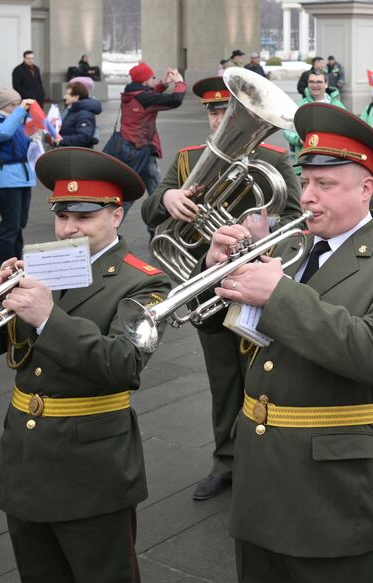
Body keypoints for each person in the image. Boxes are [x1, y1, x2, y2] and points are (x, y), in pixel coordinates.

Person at [202, 104, 373, 581]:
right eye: (305, 182)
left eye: (325, 185)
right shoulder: (288, 249)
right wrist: (213, 279)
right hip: (261, 475)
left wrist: (279, 296)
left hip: (333, 488)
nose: (308, 197)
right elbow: (230, 335)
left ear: (367, 188)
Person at [0, 148, 170, 582]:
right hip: (24, 457)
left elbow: (124, 364)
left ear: (116, 214)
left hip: (92, 467)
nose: (68, 228)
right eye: (61, 216)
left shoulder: (145, 280)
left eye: (84, 217)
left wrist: (47, 318)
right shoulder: (44, 267)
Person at [140, 76, 301, 503]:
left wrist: (259, 231)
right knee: (222, 377)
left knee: (263, 374)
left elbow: (297, 218)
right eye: (214, 111)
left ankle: (264, 460)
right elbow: (149, 209)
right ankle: (225, 461)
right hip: (201, 280)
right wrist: (170, 197)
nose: (218, 118)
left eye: (222, 110)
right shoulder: (187, 158)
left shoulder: (272, 156)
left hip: (255, 280)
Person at [116, 61, 187, 200]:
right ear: (144, 80)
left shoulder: (131, 93)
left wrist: (164, 84)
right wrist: (180, 83)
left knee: (152, 189)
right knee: (136, 195)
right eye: (152, 77)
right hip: (141, 150)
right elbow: (175, 100)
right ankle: (115, 218)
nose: (154, 79)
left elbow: (148, 95)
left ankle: (157, 218)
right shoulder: (143, 98)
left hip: (131, 147)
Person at [0, 89, 37, 266]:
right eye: (14, 104)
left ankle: (17, 261)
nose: (18, 107)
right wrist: (21, 110)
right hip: (6, 178)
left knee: (19, 223)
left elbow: (22, 142)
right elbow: (1, 134)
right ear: (4, 105)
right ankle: (3, 265)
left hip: (22, 176)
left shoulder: (15, 120)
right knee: (10, 225)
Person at [57, 79, 102, 148]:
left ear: (76, 97)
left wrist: (61, 139)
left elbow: (83, 138)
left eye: (68, 94)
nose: (64, 97)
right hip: (70, 151)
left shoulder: (84, 114)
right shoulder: (72, 110)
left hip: (77, 154)